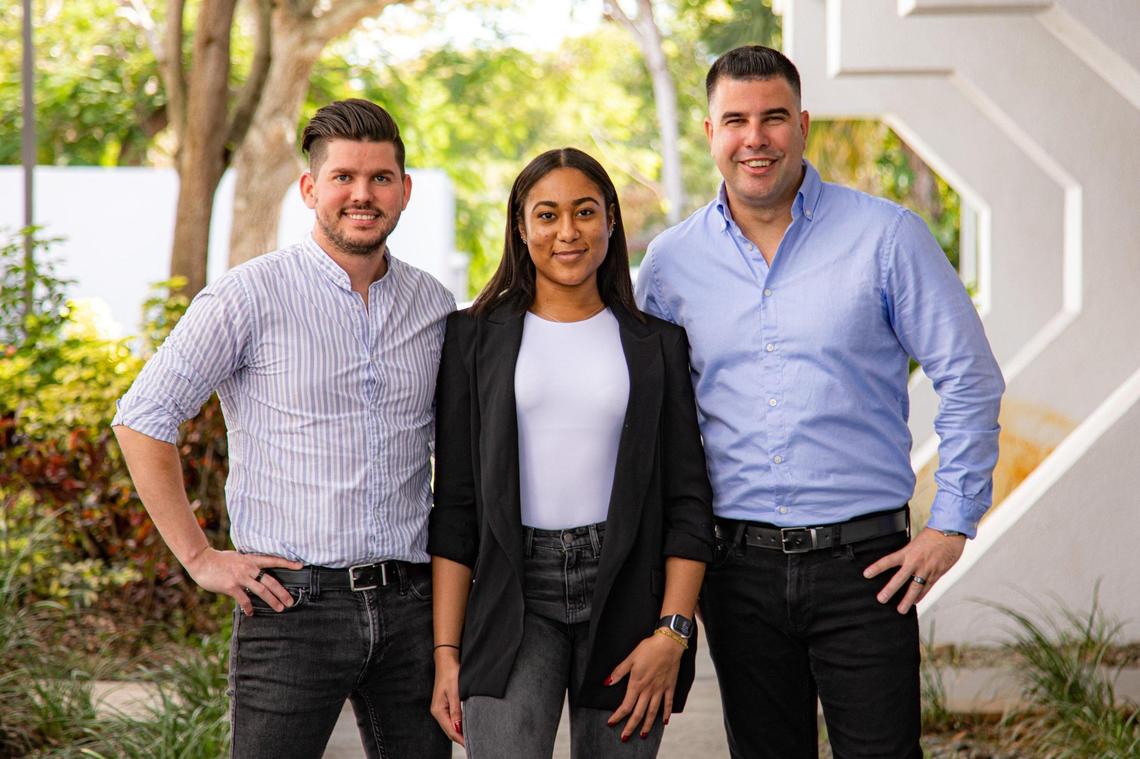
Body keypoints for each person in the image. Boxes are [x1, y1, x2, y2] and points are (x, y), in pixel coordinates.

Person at [635, 46, 1005, 758]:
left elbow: (969, 375)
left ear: (802, 124)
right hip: (735, 570)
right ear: (709, 133)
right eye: (735, 120)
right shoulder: (671, 263)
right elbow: (651, 420)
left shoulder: (887, 236)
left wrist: (951, 523)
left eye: (773, 117)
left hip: (866, 569)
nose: (756, 138)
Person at [112, 99, 454, 759]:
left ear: (405, 190)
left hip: (412, 604)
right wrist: (200, 558)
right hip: (292, 608)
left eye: (381, 178)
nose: (363, 193)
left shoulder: (434, 307)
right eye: (343, 176)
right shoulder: (247, 296)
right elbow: (143, 417)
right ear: (310, 189)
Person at [428, 147, 714, 758]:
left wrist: (673, 632)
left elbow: (688, 502)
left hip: (628, 594)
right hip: (511, 595)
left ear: (610, 219)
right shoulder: (471, 337)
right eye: (547, 214)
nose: (567, 232)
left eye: (585, 212)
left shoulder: (658, 345)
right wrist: (446, 653)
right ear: (520, 226)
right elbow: (455, 506)